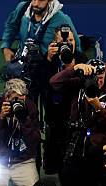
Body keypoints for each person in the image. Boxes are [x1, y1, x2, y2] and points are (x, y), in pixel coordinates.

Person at [0, 78, 40, 186]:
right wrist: (1, 118)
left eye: (22, 98)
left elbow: (34, 140)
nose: (19, 102)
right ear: (7, 96)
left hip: (23, 160)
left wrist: (24, 119)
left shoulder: (30, 106)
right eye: (15, 98)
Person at [43, 24, 88, 175]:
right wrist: (48, 59)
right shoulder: (49, 60)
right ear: (55, 44)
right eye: (63, 41)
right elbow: (44, 85)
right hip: (54, 120)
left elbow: (81, 84)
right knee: (53, 168)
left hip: (75, 119)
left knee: (74, 166)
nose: (68, 44)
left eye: (70, 40)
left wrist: (71, 67)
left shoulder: (82, 59)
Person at [0, 0, 81, 62]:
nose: (35, 4)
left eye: (41, 0)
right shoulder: (22, 8)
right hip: (22, 66)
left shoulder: (62, 19)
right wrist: (6, 47)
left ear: (50, 1)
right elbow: (11, 26)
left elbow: (76, 46)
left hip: (46, 71)